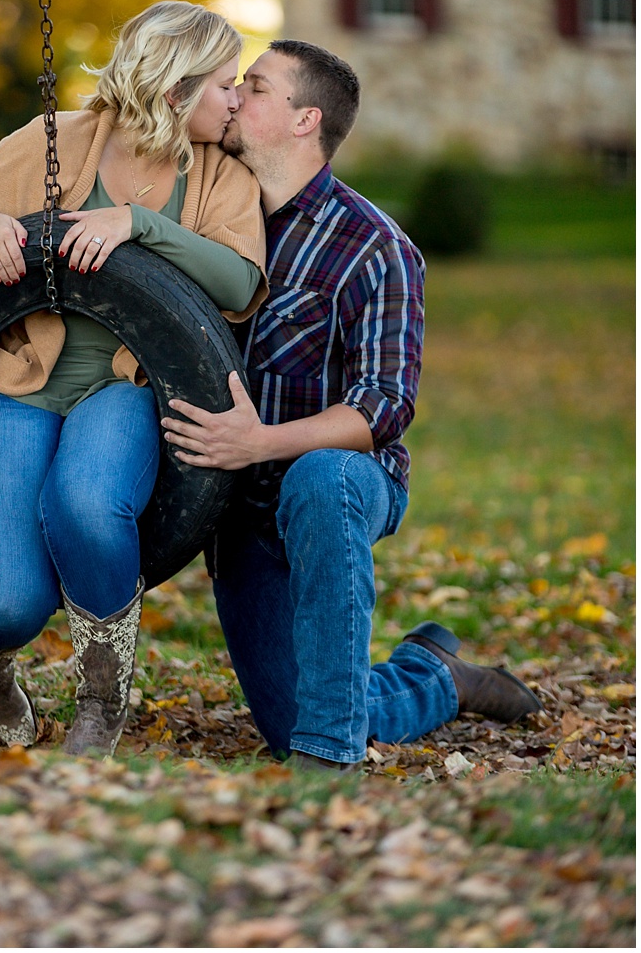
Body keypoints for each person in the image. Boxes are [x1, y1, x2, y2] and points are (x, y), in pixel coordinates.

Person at [160, 39, 542, 770]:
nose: (234, 96)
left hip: (343, 486)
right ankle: (435, 675)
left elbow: (383, 409)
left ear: (305, 121)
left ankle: (329, 760)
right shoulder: (206, 216)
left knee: (322, 474)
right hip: (241, 510)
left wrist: (257, 444)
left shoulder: (375, 248)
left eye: (256, 87)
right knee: (288, 716)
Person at [0, 1, 270, 757]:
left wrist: (140, 228)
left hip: (125, 387)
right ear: (176, 88)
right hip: (18, 382)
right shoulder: (56, 142)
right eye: (225, 84)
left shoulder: (218, 176)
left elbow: (240, 283)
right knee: (11, 600)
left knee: (83, 502)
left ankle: (101, 699)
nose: (236, 99)